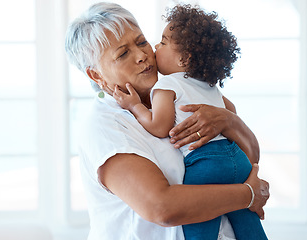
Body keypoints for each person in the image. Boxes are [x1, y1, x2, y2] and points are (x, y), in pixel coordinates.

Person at [65, 2, 269, 240]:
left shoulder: (179, 90)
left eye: (142, 42)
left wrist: (229, 121)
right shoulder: (105, 125)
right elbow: (161, 208)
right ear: (96, 74)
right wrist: (249, 195)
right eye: (123, 54)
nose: (142, 56)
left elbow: (251, 155)